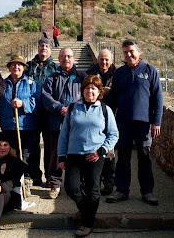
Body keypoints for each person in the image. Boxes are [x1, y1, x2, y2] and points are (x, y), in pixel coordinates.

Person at [58, 75, 118, 237]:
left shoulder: (105, 109)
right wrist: (61, 156)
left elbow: (113, 135)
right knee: (71, 187)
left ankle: (87, 224)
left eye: (93, 88)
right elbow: (64, 134)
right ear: (82, 90)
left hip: (95, 156)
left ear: (99, 91)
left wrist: (101, 151)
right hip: (74, 155)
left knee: (93, 189)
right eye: (87, 88)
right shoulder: (72, 108)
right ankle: (86, 211)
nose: (90, 91)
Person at [106, 39, 163, 206]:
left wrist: (156, 122)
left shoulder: (150, 70)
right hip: (122, 122)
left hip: (143, 124)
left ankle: (147, 192)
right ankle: (121, 190)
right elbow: (113, 99)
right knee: (123, 157)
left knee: (144, 158)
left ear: (139, 51)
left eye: (131, 51)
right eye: (125, 52)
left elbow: (158, 98)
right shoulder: (119, 73)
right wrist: (109, 121)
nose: (128, 54)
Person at [42, 47, 87, 198]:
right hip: (57, 122)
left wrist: (73, 109)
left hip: (77, 123)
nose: (66, 59)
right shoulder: (52, 77)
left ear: (73, 58)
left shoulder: (82, 76)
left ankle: (77, 184)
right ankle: (55, 184)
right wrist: (60, 108)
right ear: (59, 59)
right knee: (56, 154)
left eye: (69, 56)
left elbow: (89, 95)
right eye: (63, 56)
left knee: (77, 154)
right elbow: (46, 96)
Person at [0, 53, 41, 194]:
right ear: (9, 67)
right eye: (13, 64)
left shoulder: (31, 83)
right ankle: (12, 181)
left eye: (19, 65)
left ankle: (26, 180)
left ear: (23, 68)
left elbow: (37, 102)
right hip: (8, 125)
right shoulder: (3, 83)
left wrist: (23, 103)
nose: (16, 67)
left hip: (26, 125)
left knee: (26, 154)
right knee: (11, 154)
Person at [25, 38, 57, 186]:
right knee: (33, 146)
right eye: (41, 45)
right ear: (37, 49)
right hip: (32, 112)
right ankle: (35, 176)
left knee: (50, 146)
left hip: (49, 112)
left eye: (46, 46)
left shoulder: (55, 68)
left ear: (50, 49)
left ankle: (50, 176)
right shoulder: (29, 67)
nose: (43, 48)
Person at [86, 49, 117, 196]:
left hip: (111, 116)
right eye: (101, 59)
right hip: (94, 117)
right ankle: (94, 183)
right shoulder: (90, 73)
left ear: (111, 61)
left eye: (106, 60)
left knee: (109, 153)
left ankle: (109, 183)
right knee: (93, 151)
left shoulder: (117, 74)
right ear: (97, 60)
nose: (104, 62)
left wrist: (112, 92)